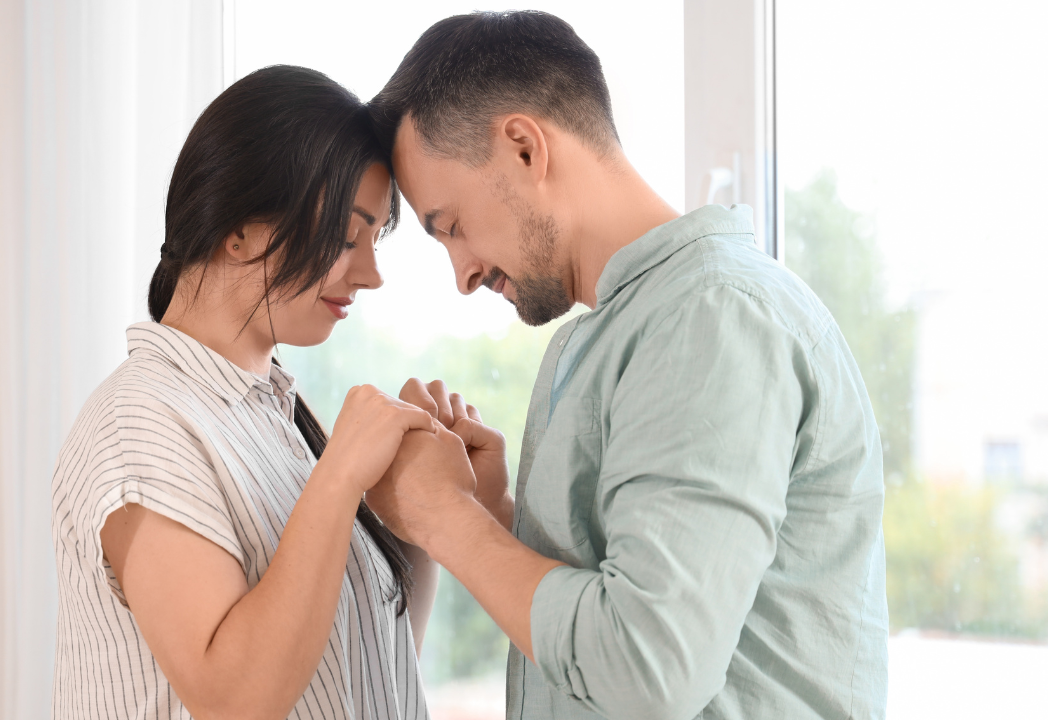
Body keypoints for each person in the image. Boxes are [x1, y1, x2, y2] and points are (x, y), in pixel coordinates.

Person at [364, 11, 889, 720]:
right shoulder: (608, 336)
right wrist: (498, 516)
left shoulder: (711, 317)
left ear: (524, 148)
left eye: (450, 226)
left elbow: (648, 670)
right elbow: (620, 604)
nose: (462, 273)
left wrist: (443, 516)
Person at [51, 65, 442, 719]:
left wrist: (416, 515)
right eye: (348, 236)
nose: (371, 274)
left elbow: (370, 671)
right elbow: (235, 697)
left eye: (375, 241)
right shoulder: (140, 423)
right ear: (239, 231)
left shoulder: (284, 419)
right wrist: (342, 476)